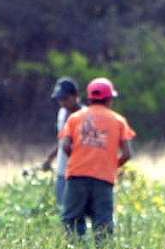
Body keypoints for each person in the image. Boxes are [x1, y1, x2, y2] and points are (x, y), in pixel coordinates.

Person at [57, 77, 135, 240]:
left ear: (90, 98)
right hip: (103, 179)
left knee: (72, 220)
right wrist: (113, 165)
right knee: (103, 225)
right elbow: (127, 153)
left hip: (76, 176)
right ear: (109, 99)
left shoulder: (75, 118)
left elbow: (65, 145)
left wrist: (79, 158)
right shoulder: (119, 121)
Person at [40, 77, 83, 207]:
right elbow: (62, 140)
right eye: (59, 99)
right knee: (63, 210)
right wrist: (50, 159)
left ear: (76, 96)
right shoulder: (62, 113)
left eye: (65, 99)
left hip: (80, 173)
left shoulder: (85, 115)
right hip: (62, 170)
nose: (62, 103)